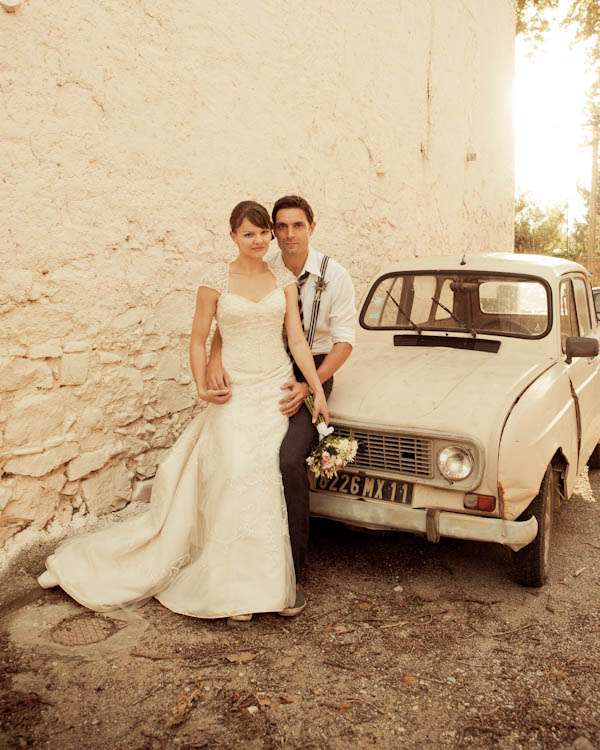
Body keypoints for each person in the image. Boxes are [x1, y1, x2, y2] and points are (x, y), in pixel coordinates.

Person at [37, 200, 329, 623]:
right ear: (233, 236)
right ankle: (231, 585)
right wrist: (201, 385)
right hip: (234, 390)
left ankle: (263, 584)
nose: (259, 240)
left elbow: (297, 340)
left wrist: (315, 390)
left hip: (274, 388)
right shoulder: (215, 281)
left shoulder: (283, 279)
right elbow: (198, 339)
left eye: (263, 232)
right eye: (249, 233)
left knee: (265, 472)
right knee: (234, 469)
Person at [207, 195, 355, 616]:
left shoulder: (335, 275)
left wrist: (311, 386)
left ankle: (292, 569)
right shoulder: (263, 264)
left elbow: (345, 342)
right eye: (282, 226)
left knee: (289, 458)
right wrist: (215, 359)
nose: (289, 234)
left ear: (311, 227)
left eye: (298, 225)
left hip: (315, 368)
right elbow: (233, 319)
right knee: (247, 459)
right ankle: (243, 561)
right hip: (264, 370)